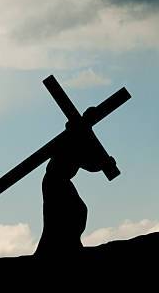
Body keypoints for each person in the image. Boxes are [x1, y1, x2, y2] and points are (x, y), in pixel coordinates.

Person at [35, 108, 106, 257]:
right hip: (55, 181)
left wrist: (103, 164)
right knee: (64, 213)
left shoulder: (80, 138)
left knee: (76, 211)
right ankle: (61, 247)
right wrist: (102, 164)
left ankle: (70, 243)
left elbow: (88, 163)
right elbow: (87, 162)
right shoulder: (72, 138)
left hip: (60, 181)